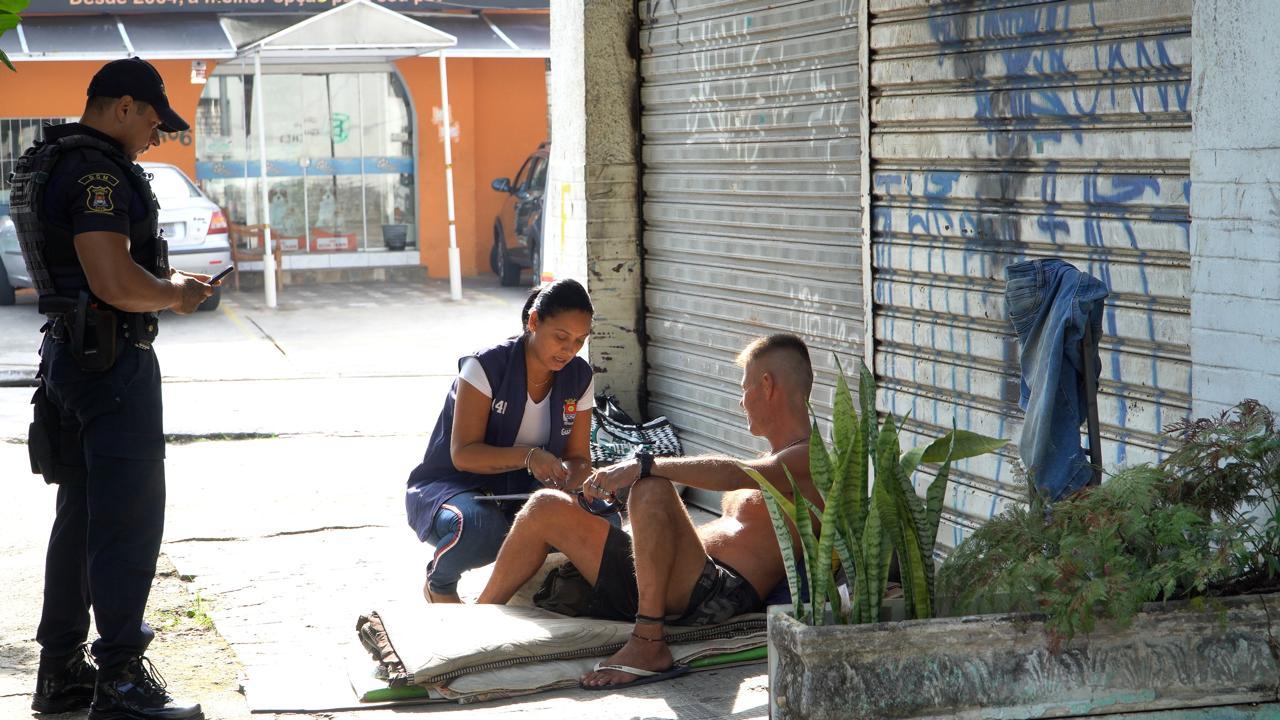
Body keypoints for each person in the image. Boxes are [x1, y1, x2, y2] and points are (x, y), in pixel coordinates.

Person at [11, 58, 213, 719]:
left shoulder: (51, 159)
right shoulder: (97, 172)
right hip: (110, 361)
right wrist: (176, 294)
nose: (156, 135)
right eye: (153, 121)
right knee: (126, 520)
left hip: (69, 356)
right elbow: (114, 281)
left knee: (81, 516)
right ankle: (122, 678)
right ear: (124, 106)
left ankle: (61, 671)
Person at [476, 333, 820, 690]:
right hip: (670, 580)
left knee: (651, 484)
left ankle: (648, 642)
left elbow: (735, 473)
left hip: (715, 594)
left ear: (767, 385)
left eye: (745, 388)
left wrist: (641, 464)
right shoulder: (775, 458)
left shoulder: (809, 459)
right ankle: (475, 618)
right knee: (544, 506)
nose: (740, 401)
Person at [405, 279, 597, 603]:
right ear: (534, 322)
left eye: (580, 340)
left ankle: (498, 600)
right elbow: (464, 454)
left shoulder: (579, 376)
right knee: (482, 529)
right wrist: (529, 457)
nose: (569, 350)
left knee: (599, 519)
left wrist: (572, 481)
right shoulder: (485, 366)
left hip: (525, 491)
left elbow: (579, 458)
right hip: (456, 487)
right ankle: (440, 583)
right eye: (561, 337)